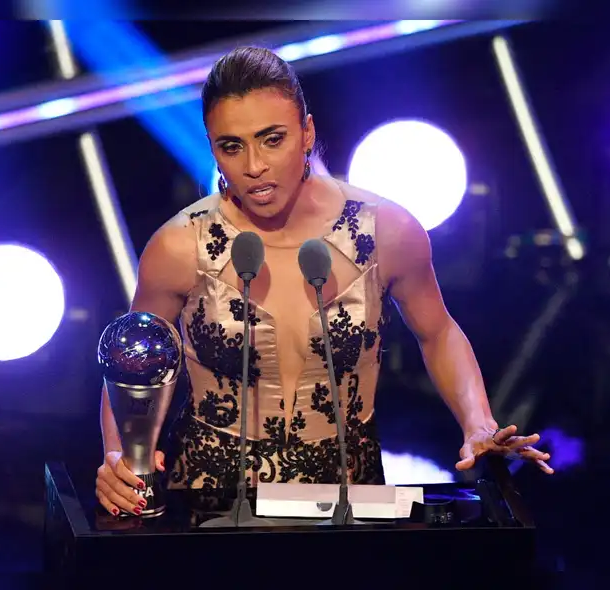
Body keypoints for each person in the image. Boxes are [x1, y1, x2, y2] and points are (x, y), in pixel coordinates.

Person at [95, 46, 553, 517]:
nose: (254, 166)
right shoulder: (179, 246)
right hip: (211, 503)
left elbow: (438, 333)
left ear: (307, 132)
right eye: (232, 146)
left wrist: (477, 423)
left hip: (348, 500)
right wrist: (121, 459)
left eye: (272, 139)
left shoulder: (387, 232)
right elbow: (133, 363)